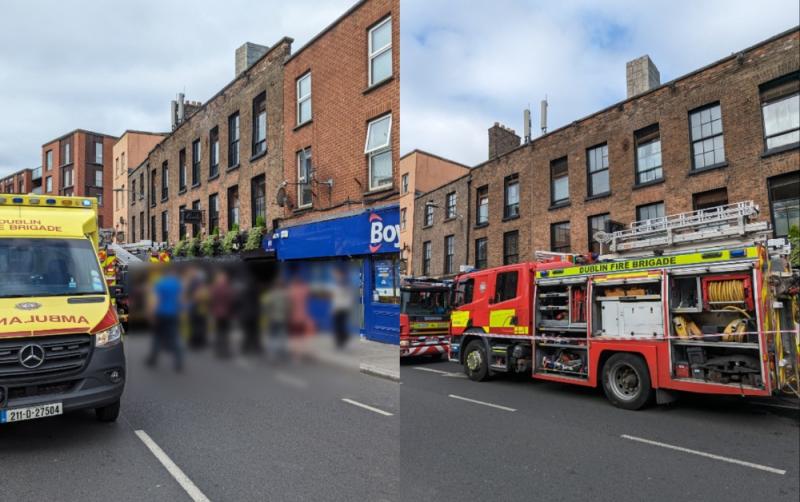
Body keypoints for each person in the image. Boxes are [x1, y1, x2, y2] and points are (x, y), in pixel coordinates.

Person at [146, 266, 184, 372]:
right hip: (173, 314)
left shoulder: (160, 284)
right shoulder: (177, 284)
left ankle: (152, 359)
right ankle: (179, 362)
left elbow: (155, 300)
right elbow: (180, 299)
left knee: (157, 337)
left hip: (161, 314)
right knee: (175, 337)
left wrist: (151, 314)